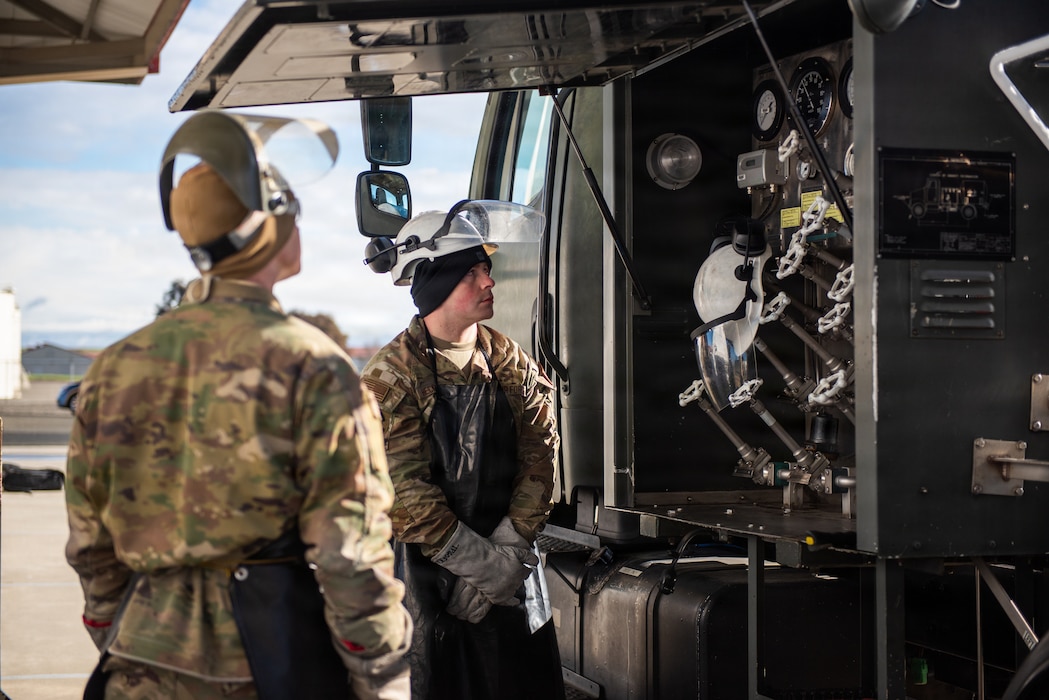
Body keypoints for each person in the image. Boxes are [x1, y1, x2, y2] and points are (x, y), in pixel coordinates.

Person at [64, 112, 411, 700]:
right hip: (268, 667)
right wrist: (383, 674)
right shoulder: (315, 367)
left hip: (137, 666)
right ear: (270, 228)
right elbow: (350, 554)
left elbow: (91, 545)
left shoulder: (114, 366)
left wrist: (119, 632)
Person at [361, 202, 566, 700]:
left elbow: (541, 455)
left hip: (512, 573)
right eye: (473, 273)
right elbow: (404, 493)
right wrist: (479, 568)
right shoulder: (391, 376)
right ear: (436, 283)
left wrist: (510, 550)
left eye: (486, 270)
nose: (489, 282)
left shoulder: (508, 360)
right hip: (427, 587)